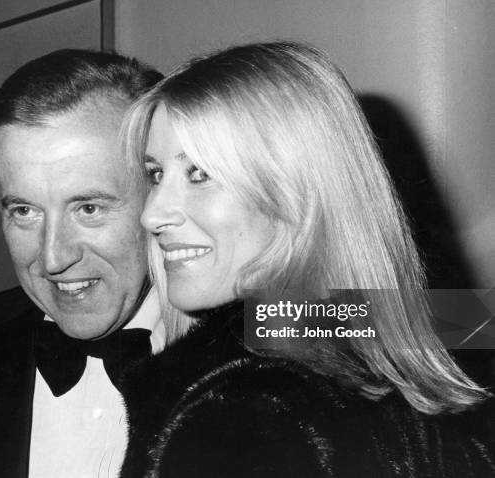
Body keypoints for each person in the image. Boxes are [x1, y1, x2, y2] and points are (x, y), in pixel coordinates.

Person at [120, 41, 495, 477]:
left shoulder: (244, 410)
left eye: (199, 173)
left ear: (296, 192)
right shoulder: (396, 341)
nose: (151, 214)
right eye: (155, 175)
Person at [0, 49, 164, 478]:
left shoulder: (268, 347)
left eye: (88, 208)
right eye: (24, 211)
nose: (52, 258)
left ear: (159, 195)